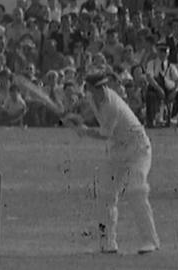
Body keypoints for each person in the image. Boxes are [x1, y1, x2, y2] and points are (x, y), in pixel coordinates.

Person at [62, 73, 160, 254]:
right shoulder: (92, 99)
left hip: (138, 147)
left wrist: (84, 131)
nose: (101, 91)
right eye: (96, 88)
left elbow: (104, 134)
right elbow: (89, 115)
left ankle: (150, 240)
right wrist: (75, 119)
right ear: (90, 89)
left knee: (136, 190)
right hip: (117, 149)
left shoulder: (112, 105)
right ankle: (107, 243)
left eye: (102, 87)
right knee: (105, 194)